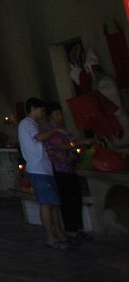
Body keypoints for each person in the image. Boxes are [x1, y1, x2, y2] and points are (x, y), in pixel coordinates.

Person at [18, 97, 68, 249]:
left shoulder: (33, 125)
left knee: (53, 203)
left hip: (44, 168)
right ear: (33, 108)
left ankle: (59, 233)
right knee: (46, 204)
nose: (43, 113)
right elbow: (39, 138)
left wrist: (52, 152)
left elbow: (39, 146)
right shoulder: (27, 124)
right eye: (42, 110)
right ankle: (50, 238)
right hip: (38, 168)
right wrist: (55, 129)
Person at [41, 102, 94, 242]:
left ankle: (78, 228)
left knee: (76, 198)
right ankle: (71, 230)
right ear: (49, 116)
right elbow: (62, 146)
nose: (60, 117)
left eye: (60, 114)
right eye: (56, 114)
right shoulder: (49, 130)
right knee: (67, 200)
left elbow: (71, 142)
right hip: (59, 170)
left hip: (70, 168)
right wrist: (81, 142)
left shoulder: (62, 129)